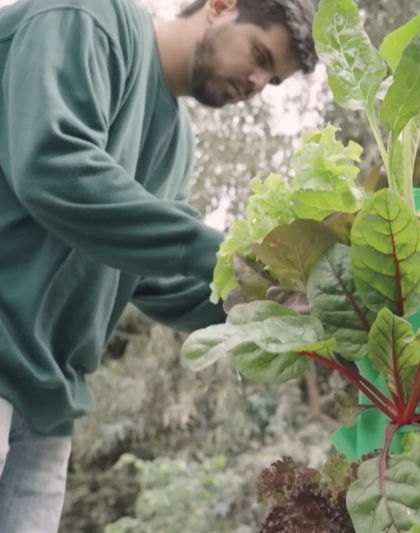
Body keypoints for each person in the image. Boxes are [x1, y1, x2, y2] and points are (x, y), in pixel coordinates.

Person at [0, 0, 317, 531]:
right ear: (219, 7)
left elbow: (152, 274)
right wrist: (224, 255)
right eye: (260, 55)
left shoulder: (175, 143)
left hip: (49, 404)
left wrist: (276, 307)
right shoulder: (86, 18)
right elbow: (52, 168)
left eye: (273, 79)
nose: (259, 82)